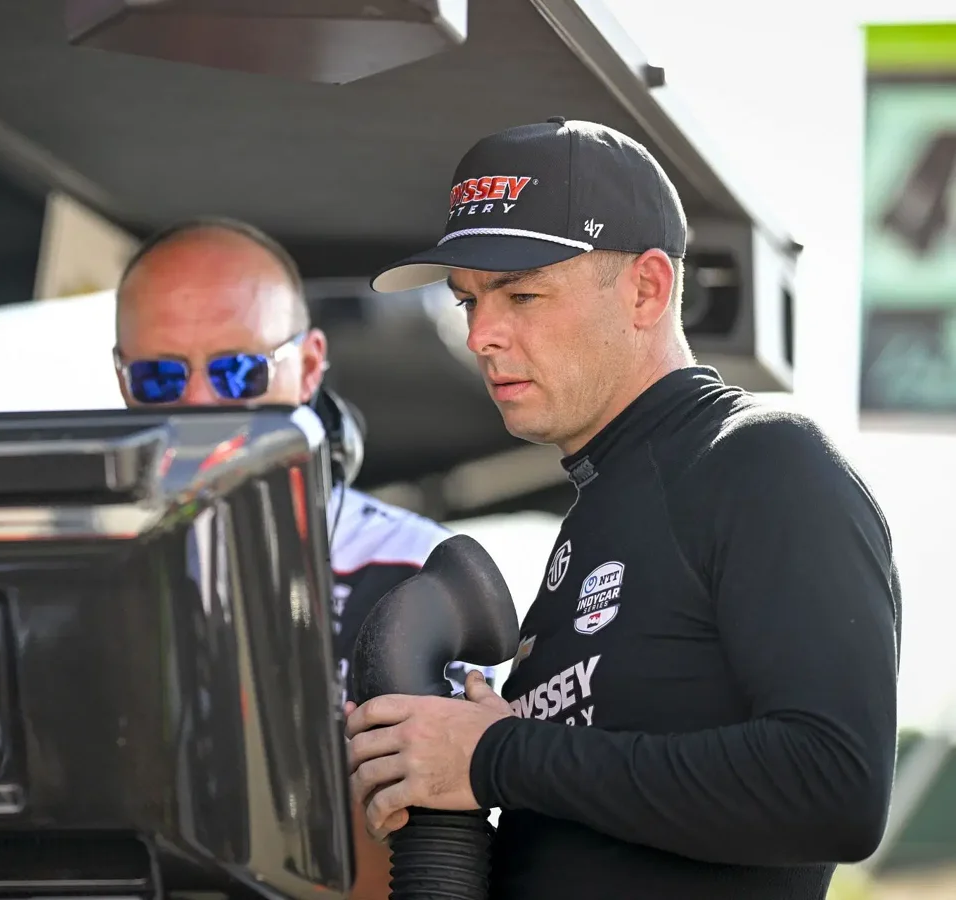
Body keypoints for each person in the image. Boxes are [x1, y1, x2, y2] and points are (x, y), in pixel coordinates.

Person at [344, 118, 902, 899]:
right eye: (467, 300)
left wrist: (495, 756)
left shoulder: (763, 460)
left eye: (522, 294)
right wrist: (446, 772)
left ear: (647, 289)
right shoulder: (599, 511)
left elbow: (834, 786)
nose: (481, 335)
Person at [113, 216, 496, 898]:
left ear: (310, 365)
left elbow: (422, 858)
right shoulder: (83, 568)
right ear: (122, 379)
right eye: (160, 377)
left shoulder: (417, 574)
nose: (199, 403)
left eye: (237, 372)